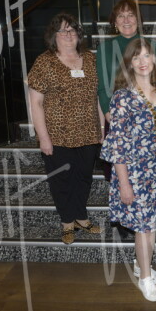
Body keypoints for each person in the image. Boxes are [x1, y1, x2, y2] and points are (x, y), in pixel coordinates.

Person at [100, 38, 156, 302]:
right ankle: (144, 278)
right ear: (129, 63)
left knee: (152, 225)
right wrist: (124, 183)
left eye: (147, 56)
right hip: (134, 173)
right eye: (136, 57)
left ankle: (142, 265)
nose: (143, 62)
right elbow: (117, 145)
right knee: (143, 227)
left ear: (154, 59)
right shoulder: (123, 98)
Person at [27, 13, 102, 244]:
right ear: (54, 35)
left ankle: (81, 217)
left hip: (88, 132)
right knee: (62, 180)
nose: (68, 34)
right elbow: (35, 103)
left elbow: (97, 97)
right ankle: (67, 222)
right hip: (57, 134)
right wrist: (43, 137)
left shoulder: (90, 59)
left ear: (78, 34)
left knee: (84, 177)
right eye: (63, 30)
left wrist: (101, 127)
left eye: (72, 30)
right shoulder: (44, 62)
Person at [97, 0, 156, 237]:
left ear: (138, 19)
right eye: (121, 16)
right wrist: (110, 114)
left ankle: (146, 220)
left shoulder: (153, 46)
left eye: (131, 15)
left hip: (148, 120)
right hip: (117, 115)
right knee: (118, 171)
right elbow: (102, 86)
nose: (126, 20)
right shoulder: (105, 48)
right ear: (114, 22)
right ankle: (125, 216)